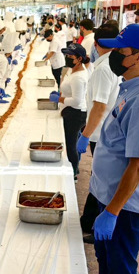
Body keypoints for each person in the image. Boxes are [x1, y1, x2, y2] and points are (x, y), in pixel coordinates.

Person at [89, 24, 139, 274]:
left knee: (120, 266)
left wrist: (112, 212)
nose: (114, 55)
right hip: (112, 196)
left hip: (125, 206)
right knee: (108, 261)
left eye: (120, 51)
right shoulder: (131, 86)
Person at [76, 24, 121, 241]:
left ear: (96, 44)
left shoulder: (105, 69)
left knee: (102, 177)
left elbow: (100, 106)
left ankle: (95, 224)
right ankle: (89, 219)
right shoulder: (109, 64)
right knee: (99, 176)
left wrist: (86, 134)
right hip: (103, 129)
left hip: (102, 131)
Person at [49, 43, 89, 178]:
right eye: (66, 55)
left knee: (71, 145)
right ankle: (73, 168)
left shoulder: (78, 77)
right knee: (72, 143)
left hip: (75, 114)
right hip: (71, 111)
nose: (67, 58)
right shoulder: (74, 70)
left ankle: (73, 173)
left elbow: (77, 101)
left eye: (70, 56)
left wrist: (60, 100)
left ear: (79, 59)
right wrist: (61, 95)